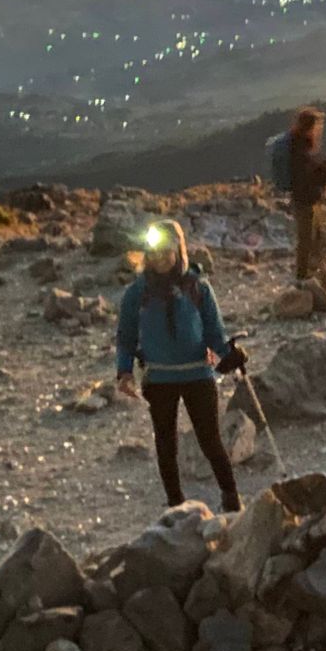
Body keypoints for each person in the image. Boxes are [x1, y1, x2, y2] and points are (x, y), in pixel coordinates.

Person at [116, 219, 242, 513]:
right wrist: (124, 371)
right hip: (159, 379)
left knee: (210, 439)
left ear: (178, 250)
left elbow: (213, 331)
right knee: (165, 442)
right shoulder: (137, 293)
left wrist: (229, 353)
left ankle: (231, 496)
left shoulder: (198, 288)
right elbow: (126, 336)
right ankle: (175, 506)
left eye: (166, 251)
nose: (160, 259)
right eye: (154, 252)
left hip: (198, 374)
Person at [286, 106, 326, 281]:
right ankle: (303, 278)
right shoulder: (301, 148)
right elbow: (306, 177)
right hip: (305, 199)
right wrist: (325, 172)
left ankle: (312, 273)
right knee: (306, 239)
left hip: (304, 198)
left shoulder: (297, 145)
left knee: (314, 236)